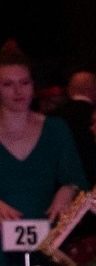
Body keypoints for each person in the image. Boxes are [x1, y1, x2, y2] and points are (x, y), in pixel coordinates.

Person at [0, 46, 87, 222]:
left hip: (46, 237)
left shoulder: (55, 129)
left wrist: (67, 190)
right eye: (8, 84)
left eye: (24, 83)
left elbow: (79, 183)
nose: (18, 91)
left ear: (34, 84)